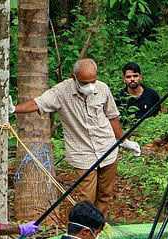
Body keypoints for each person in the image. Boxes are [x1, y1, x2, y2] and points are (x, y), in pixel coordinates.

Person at [12, 59, 141, 216]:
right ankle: (83, 230)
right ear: (74, 77)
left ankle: (98, 227)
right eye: (85, 82)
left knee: (105, 194)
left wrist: (124, 141)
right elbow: (38, 103)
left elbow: (112, 117)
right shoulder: (61, 91)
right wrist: (13, 109)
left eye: (93, 81)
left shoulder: (102, 89)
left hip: (107, 148)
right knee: (86, 198)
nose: (90, 86)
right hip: (82, 154)